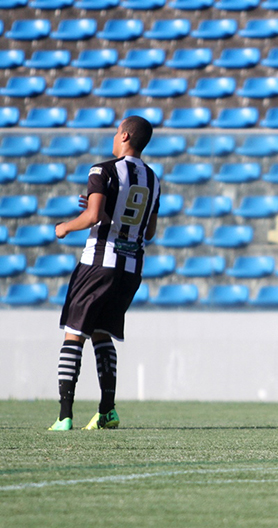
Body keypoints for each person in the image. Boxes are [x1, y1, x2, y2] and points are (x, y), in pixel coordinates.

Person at [48, 116, 160, 431]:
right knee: (101, 332)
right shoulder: (153, 179)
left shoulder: (103, 170)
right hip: (130, 269)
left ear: (124, 135)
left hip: (99, 263)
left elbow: (93, 216)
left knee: (74, 333)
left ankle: (64, 416)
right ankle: (107, 411)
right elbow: (149, 231)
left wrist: (64, 226)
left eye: (116, 131)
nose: (113, 136)